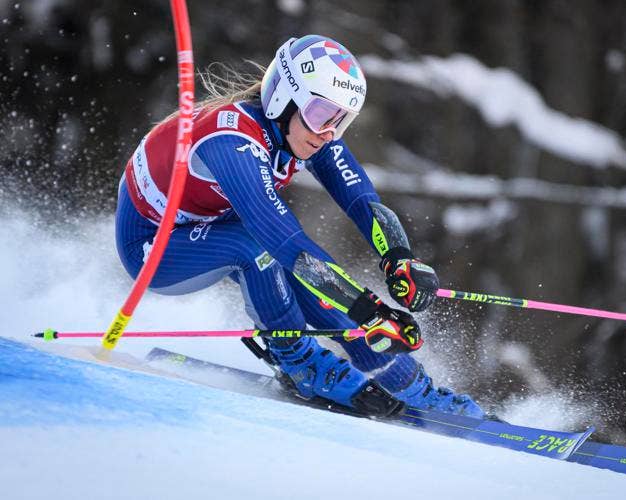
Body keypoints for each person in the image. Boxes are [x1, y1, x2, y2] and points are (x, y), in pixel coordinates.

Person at [115, 34, 484, 418]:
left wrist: (398, 257)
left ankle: (408, 385)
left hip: (212, 224)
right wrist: (370, 310)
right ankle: (297, 361)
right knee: (263, 250)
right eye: (324, 114)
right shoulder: (230, 141)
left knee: (316, 283)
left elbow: (361, 199)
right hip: (154, 248)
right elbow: (284, 239)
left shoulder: (304, 129)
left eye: (342, 120)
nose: (329, 132)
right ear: (283, 98)